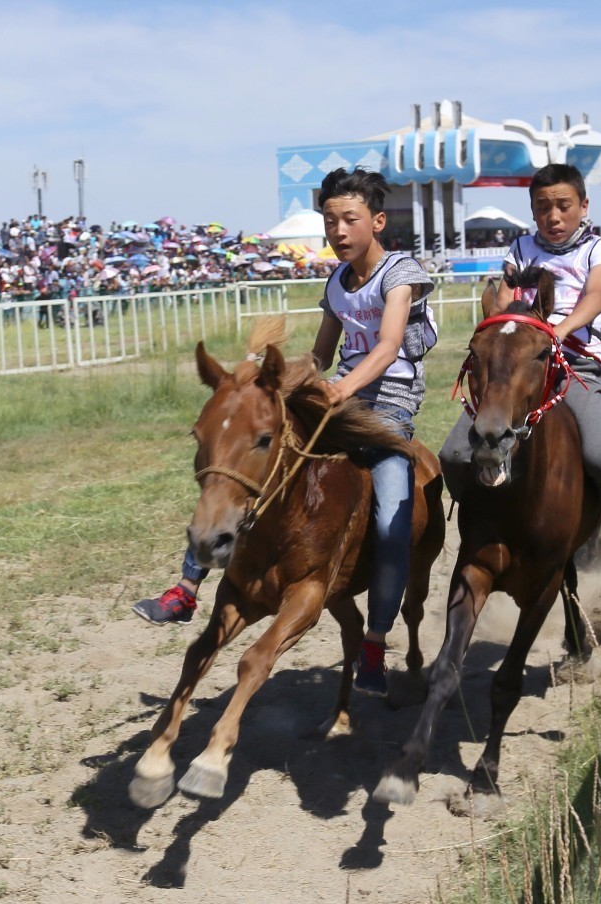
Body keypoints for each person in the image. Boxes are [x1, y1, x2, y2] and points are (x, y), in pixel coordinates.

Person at [135, 167, 436, 700]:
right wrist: (263, 376)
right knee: (251, 456)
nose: (338, 231)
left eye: (350, 219)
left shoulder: (400, 272)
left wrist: (342, 390)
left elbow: (388, 347)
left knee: (393, 521)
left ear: (377, 221)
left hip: (387, 410)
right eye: (330, 222)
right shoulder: (336, 283)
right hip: (339, 398)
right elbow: (322, 354)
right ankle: (186, 587)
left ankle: (374, 637)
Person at [441, 164, 601, 577]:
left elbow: (598, 294)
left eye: (564, 206)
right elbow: (507, 296)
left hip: (576, 363)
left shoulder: (598, 249)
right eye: (543, 207)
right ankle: (486, 516)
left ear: (583, 206)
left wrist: (556, 331)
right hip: (522, 365)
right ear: (532, 211)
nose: (554, 216)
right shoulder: (521, 248)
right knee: (454, 453)